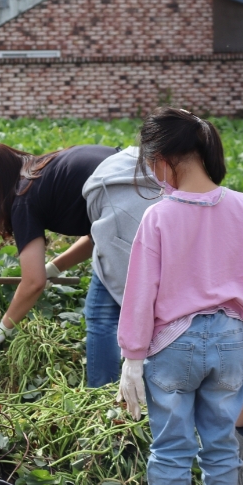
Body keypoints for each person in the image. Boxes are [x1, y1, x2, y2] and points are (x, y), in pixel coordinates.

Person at [116, 108, 243, 485]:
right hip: (231, 342)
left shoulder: (159, 216)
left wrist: (132, 357)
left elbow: (141, 292)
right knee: (223, 450)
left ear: (162, 160)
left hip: (174, 345)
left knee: (172, 452)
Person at [0, 143, 118, 386]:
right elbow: (97, 235)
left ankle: (104, 395)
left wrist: (1, 331)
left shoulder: (24, 196)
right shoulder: (47, 168)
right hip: (145, 189)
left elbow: (33, 282)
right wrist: (53, 269)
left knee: (102, 316)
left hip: (128, 210)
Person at [80, 146, 161, 386]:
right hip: (117, 232)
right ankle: (115, 394)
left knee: (104, 318)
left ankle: (105, 395)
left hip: (117, 228)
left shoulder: (121, 168)